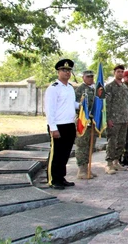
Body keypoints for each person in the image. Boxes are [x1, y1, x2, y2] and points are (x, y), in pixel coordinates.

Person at [44, 59, 79, 190]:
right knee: (56, 154)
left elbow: (71, 104)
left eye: (69, 70)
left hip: (69, 124)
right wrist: (53, 127)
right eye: (64, 70)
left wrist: (82, 105)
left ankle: (61, 177)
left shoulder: (70, 88)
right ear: (58, 71)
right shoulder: (53, 88)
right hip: (58, 125)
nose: (67, 73)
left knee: (65, 153)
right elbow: (49, 109)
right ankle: (53, 179)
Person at [104, 65, 128, 174]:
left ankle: (116, 161)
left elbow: (127, 103)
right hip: (114, 119)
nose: (120, 73)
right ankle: (109, 164)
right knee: (112, 142)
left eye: (122, 72)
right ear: (114, 72)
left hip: (124, 119)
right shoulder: (109, 86)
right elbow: (107, 104)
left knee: (121, 141)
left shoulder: (125, 87)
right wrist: (108, 119)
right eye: (118, 71)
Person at [74, 70, 98, 179]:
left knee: (90, 145)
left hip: (93, 122)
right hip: (83, 122)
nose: (90, 78)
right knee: (82, 145)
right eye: (88, 77)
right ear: (83, 77)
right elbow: (75, 104)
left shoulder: (94, 89)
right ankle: (81, 170)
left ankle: (87, 168)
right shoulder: (80, 89)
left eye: (92, 77)